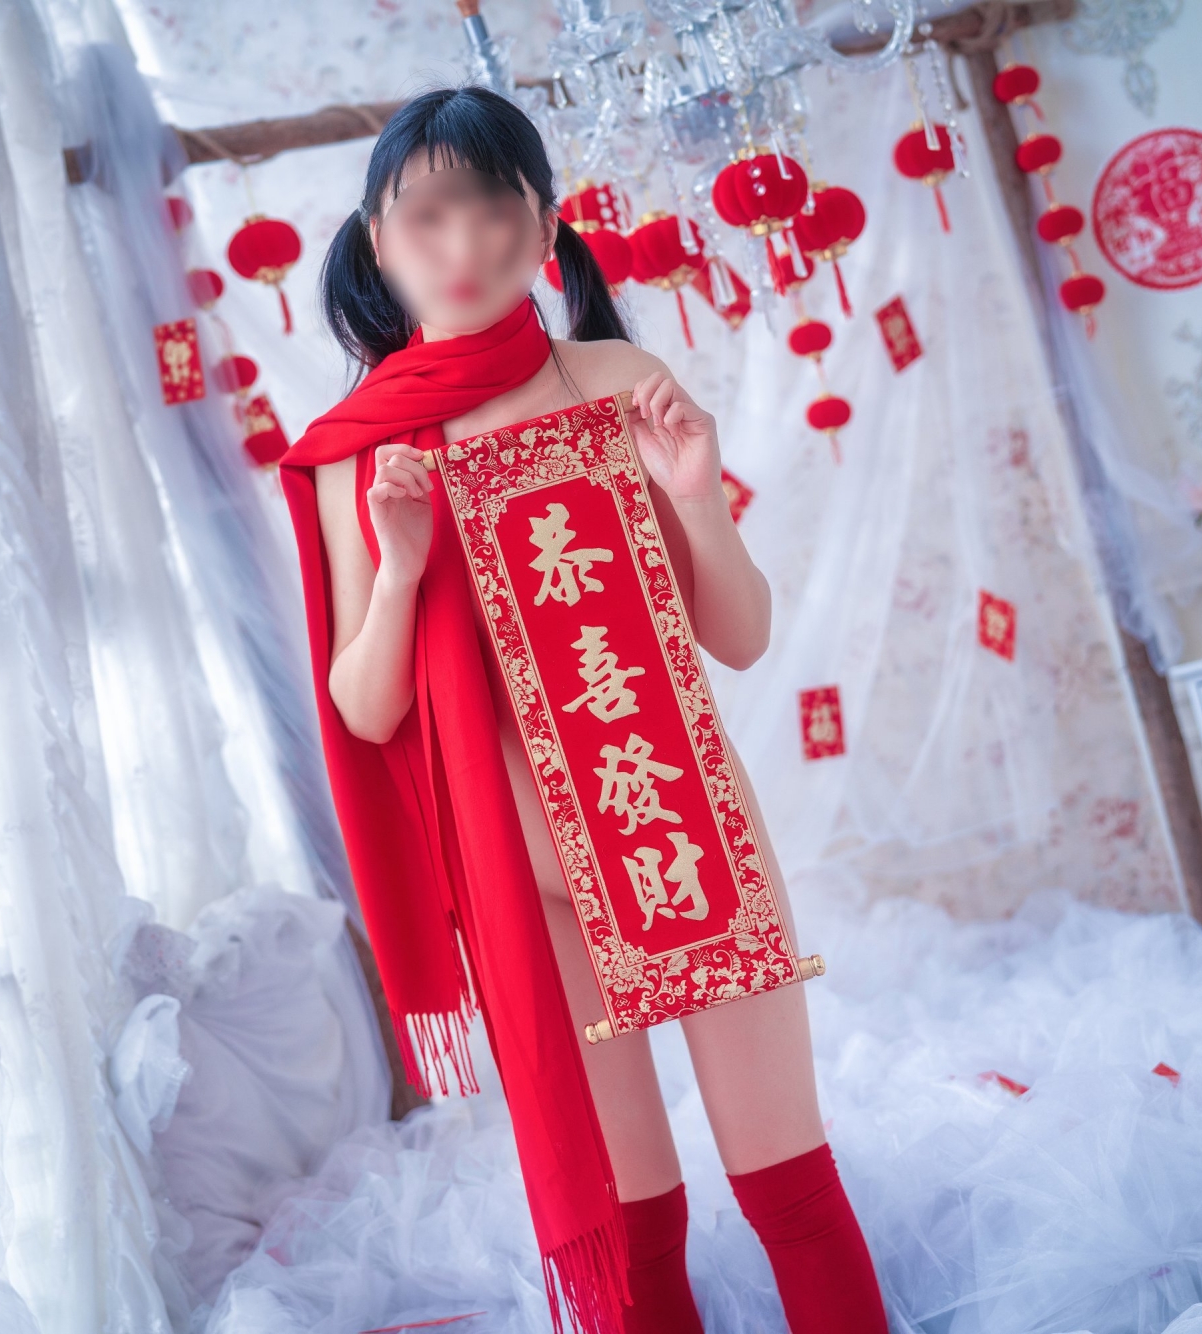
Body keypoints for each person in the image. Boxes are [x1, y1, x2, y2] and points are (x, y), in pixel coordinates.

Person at [276, 85, 888, 1334]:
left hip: (677, 833)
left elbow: (739, 634)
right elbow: (364, 708)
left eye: (494, 211)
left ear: (544, 226)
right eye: (427, 216)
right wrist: (398, 570)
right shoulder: (361, 449)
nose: (463, 245)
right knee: (632, 1236)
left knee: (791, 1193)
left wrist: (697, 499)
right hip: (527, 887)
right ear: (377, 241)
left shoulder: (614, 380)